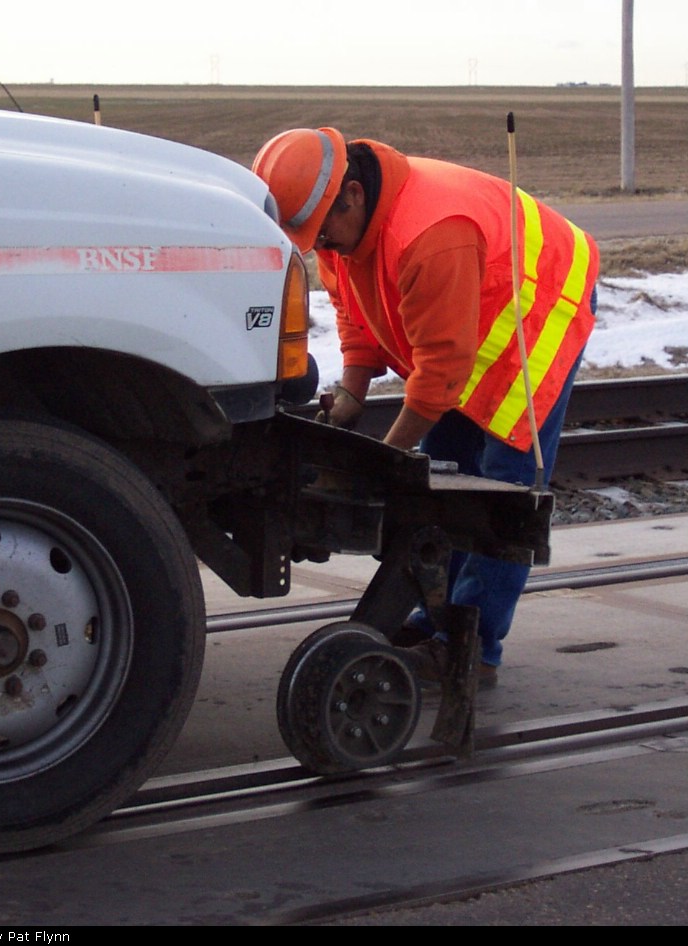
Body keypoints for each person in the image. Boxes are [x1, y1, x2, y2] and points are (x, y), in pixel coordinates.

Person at [252, 127, 599, 688]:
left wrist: (385, 460)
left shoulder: (432, 235)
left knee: (501, 494)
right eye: (310, 239)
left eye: (323, 234)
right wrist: (351, 396)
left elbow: (439, 372)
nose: (321, 248)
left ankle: (473, 648)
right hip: (467, 322)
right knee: (447, 472)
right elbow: (356, 315)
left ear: (354, 195)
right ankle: (439, 620)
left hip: (534, 315)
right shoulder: (341, 232)